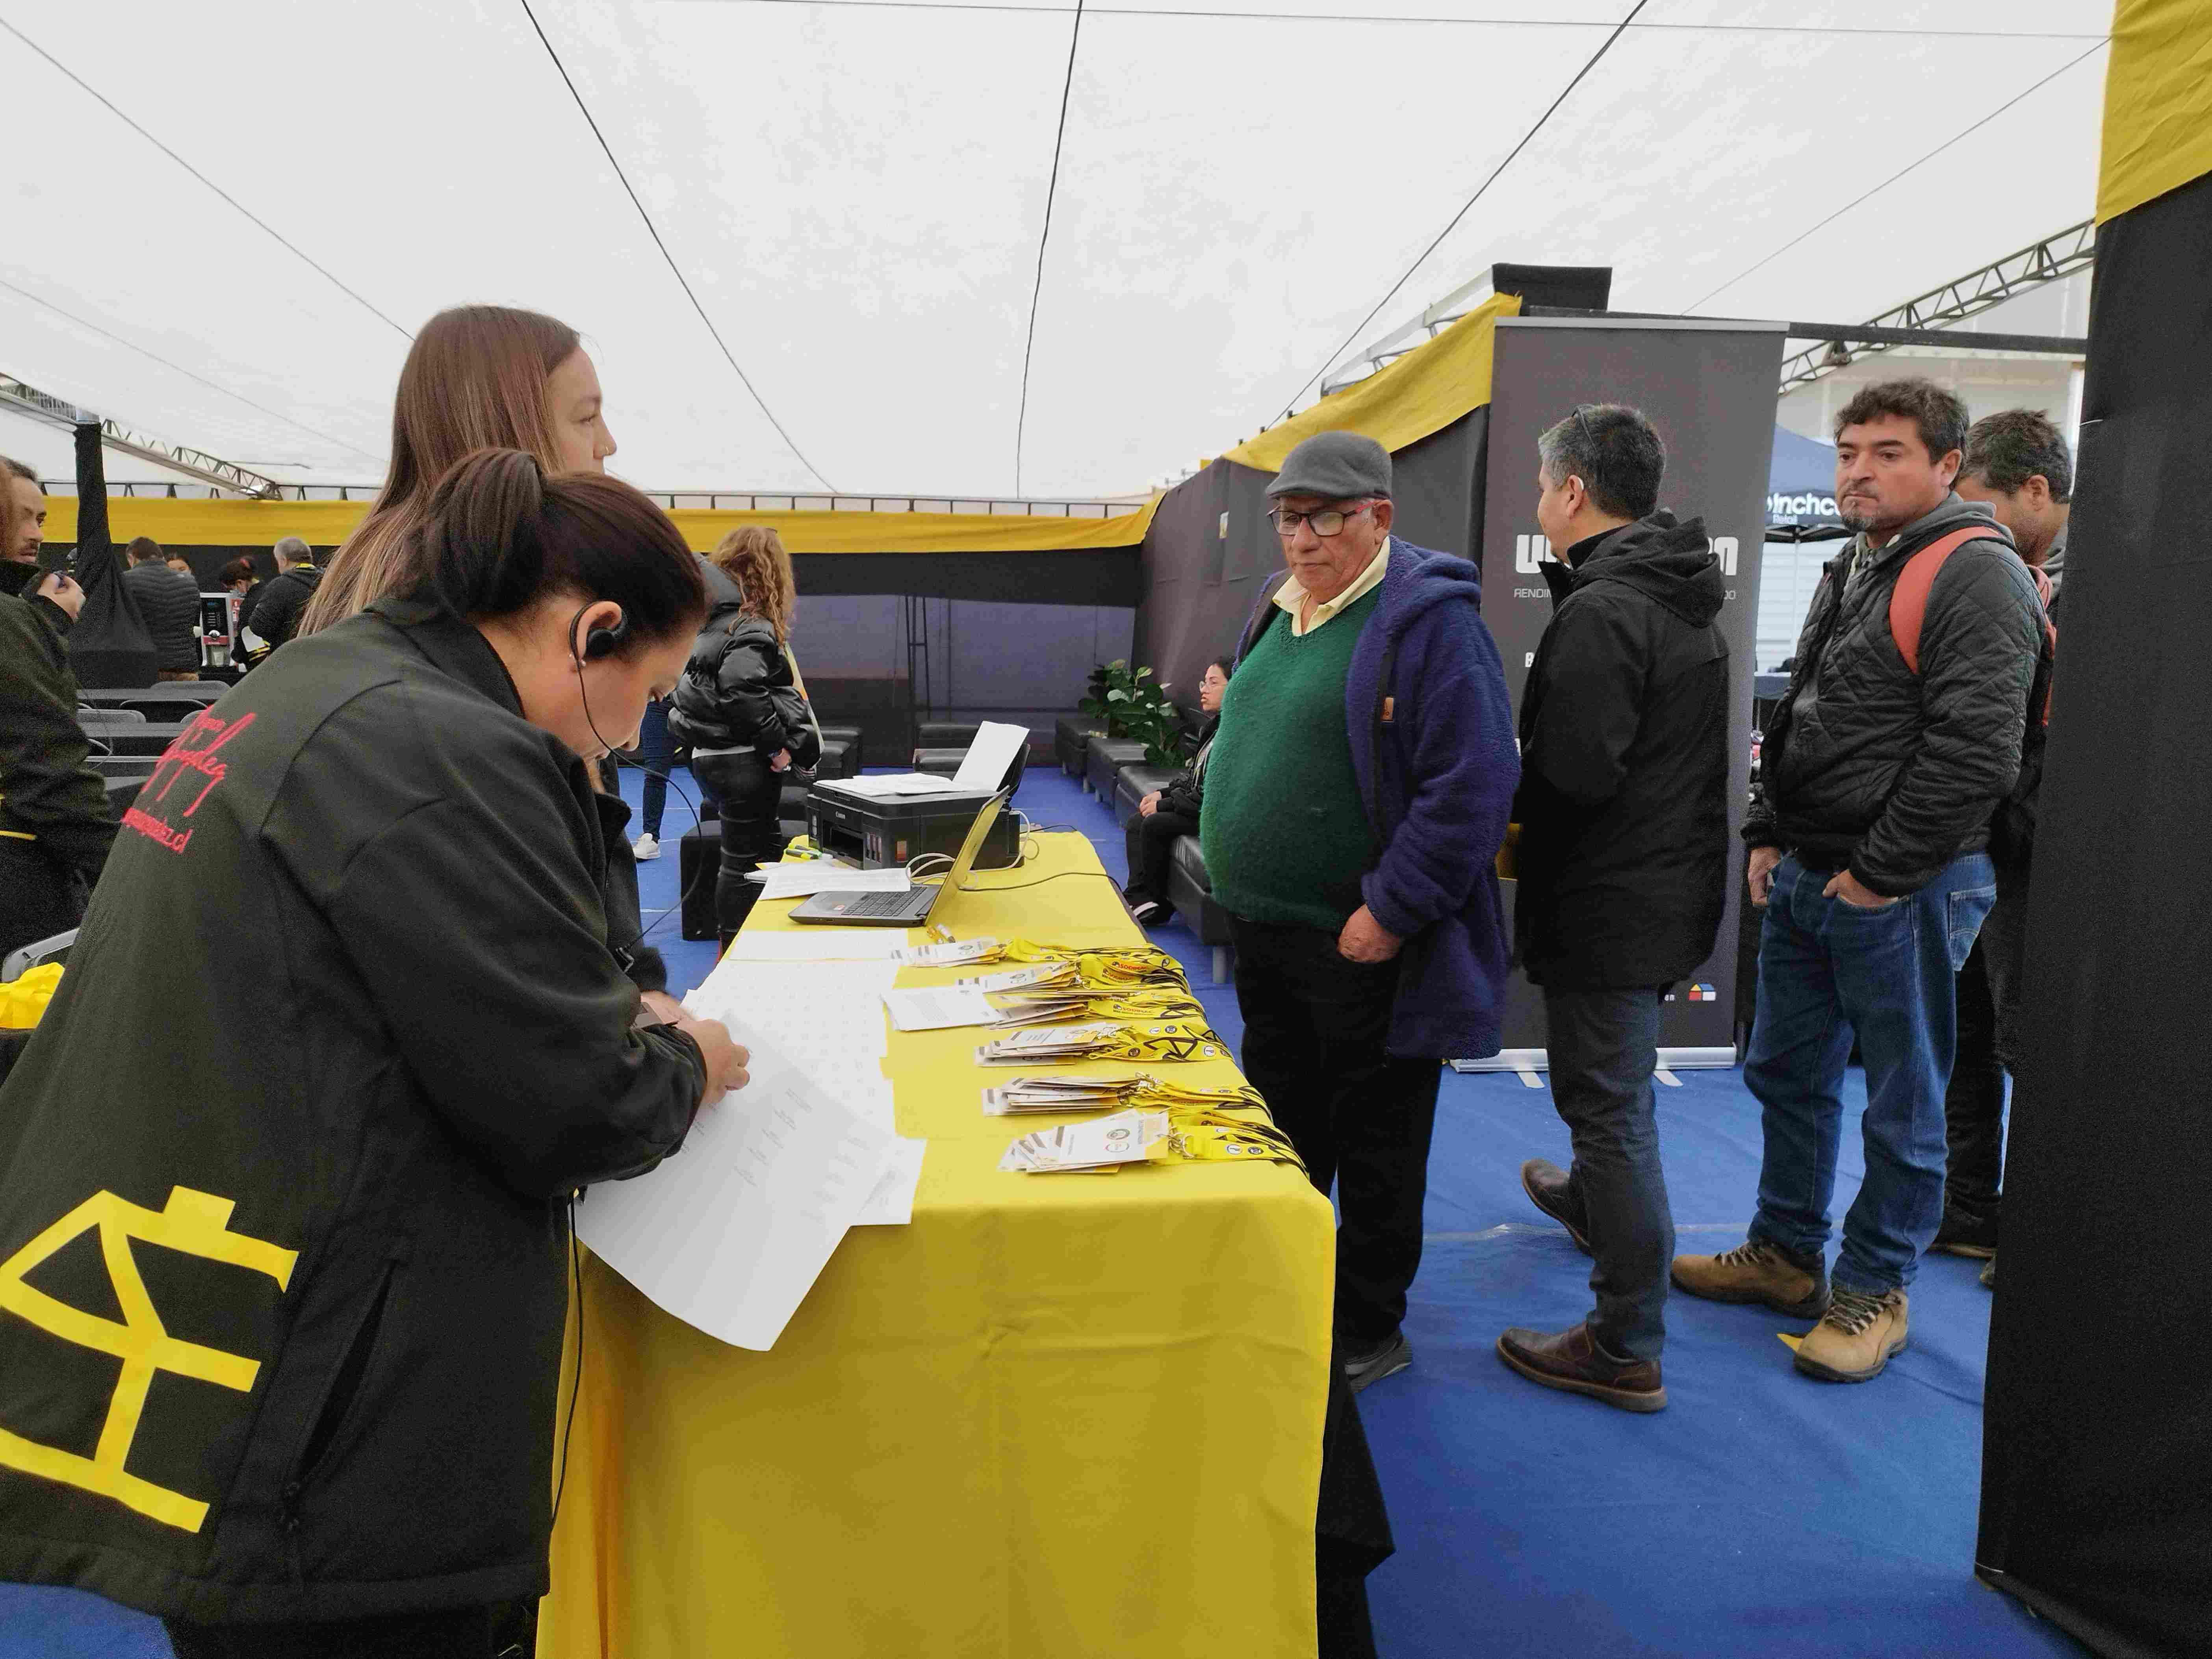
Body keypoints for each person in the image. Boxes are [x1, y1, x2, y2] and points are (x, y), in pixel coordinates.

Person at [0, 449, 751, 1659]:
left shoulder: (322, 682)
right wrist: (691, 1063)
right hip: (326, 1423)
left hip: (218, 1317)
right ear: (593, 628)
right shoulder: (440, 750)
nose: (634, 728)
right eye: (644, 692)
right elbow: (579, 1107)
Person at [1672, 379, 2044, 1384]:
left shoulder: (1977, 573)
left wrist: (1879, 875)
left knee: (1902, 1098)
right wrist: (1768, 830)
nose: (1856, 470)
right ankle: (1788, 1255)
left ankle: (1874, 1289)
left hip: (1904, 884)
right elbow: (1806, 708)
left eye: (1885, 451)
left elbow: (1976, 751)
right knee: (1787, 1072)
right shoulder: (1860, 559)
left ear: (1947, 466)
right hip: (1811, 868)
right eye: (1847, 451)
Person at [1200, 430, 1518, 1392]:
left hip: (1361, 943)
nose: (1302, 539)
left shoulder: (1428, 623)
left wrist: (1391, 907)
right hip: (1270, 931)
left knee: (1377, 1138)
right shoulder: (1280, 605)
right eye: (1290, 519)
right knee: (1286, 1122)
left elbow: (1473, 783)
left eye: (1326, 518)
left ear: (1378, 516)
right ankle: (1292, 1284)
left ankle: (1369, 1319)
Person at [1496, 406, 1730, 1415]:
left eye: (1544, 484)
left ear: (1574, 492)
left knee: (1610, 1104)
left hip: (1611, 895)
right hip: (1654, 884)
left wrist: (1503, 800)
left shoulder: (1605, 609)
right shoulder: (1669, 594)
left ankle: (1624, 1339)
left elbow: (1573, 775)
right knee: (1603, 1091)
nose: (1539, 499)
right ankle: (1595, 1202)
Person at [1941, 409, 2071, 1288]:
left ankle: (2037, 1234)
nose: (1971, 525)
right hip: (1984, 837)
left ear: (2035, 491)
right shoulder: (2008, 573)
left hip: (2044, 851)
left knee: (2028, 1038)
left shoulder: (2118, 580)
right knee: (1968, 1030)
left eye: (1981, 505)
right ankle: (1967, 1210)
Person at [300, 306, 618, 638]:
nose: (608, 444)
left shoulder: (379, 575)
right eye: (586, 418)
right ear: (506, 431)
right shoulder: (486, 598)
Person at [668, 527, 820, 947]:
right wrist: (775, 749)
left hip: (710, 758)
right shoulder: (750, 624)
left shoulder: (711, 624)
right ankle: (736, 948)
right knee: (742, 864)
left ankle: (753, 941)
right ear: (772, 574)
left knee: (756, 855)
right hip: (741, 760)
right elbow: (741, 688)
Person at [0, 458, 116, 959]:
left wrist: (40, 619)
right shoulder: (11, 620)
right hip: (19, 877)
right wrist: (130, 870)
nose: (34, 534)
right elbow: (45, 770)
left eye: (41, 519)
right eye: (20, 516)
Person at [1121, 657, 1229, 925]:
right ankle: (1139, 897)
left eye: (1214, 683)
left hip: (1220, 815)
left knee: (1156, 822)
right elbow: (1195, 780)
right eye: (1204, 682)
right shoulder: (1213, 727)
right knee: (1138, 822)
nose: (1204, 689)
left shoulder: (1236, 735)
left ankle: (1158, 903)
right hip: (1202, 807)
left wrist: (1166, 805)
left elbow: (1212, 797)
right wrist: (1164, 794)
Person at [121, 534, 202, 679]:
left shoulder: (126, 580)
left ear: (132, 558)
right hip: (185, 668)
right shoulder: (190, 583)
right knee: (190, 703)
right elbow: (194, 620)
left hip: (146, 669)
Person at [242, 536, 322, 653]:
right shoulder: (330, 582)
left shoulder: (279, 586)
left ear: (284, 561)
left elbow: (259, 626)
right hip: (327, 657)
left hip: (290, 658)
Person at [627, 692, 676, 860]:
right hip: (659, 703)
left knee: (702, 767)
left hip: (694, 701)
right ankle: (651, 838)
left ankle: (719, 831)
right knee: (655, 772)